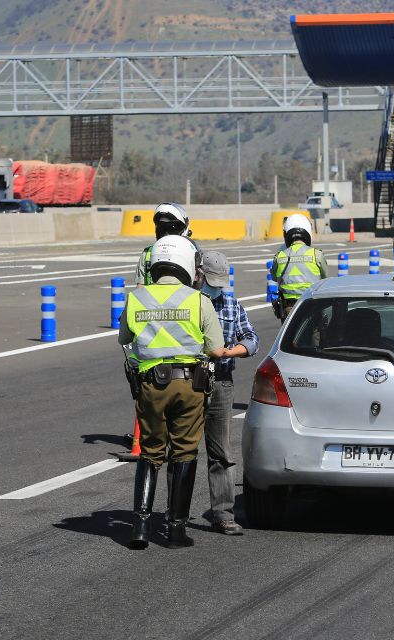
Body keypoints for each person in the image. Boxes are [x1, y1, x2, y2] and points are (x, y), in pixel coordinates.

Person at [118, 235, 229, 549]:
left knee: (151, 453)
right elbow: (216, 347)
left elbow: (123, 337)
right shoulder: (198, 301)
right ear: (185, 264)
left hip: (150, 385)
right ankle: (176, 530)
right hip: (189, 385)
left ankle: (140, 526)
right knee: (184, 453)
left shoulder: (136, 298)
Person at [197, 250, 258, 536]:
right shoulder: (189, 303)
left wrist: (231, 351)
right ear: (199, 274)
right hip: (190, 381)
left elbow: (251, 338)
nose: (216, 286)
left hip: (221, 380)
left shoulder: (231, 303)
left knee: (221, 451)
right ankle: (174, 515)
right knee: (180, 451)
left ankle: (223, 513)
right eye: (211, 280)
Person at [270, 214, 328, 319]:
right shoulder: (316, 254)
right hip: (312, 304)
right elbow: (325, 278)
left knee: (291, 335)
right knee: (316, 333)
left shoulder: (279, 256)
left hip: (288, 307)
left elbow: (274, 277)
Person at [135, 202, 199, 286]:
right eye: (162, 228)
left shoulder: (147, 253)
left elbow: (140, 289)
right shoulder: (192, 250)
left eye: (172, 228)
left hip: (152, 299)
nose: (166, 233)